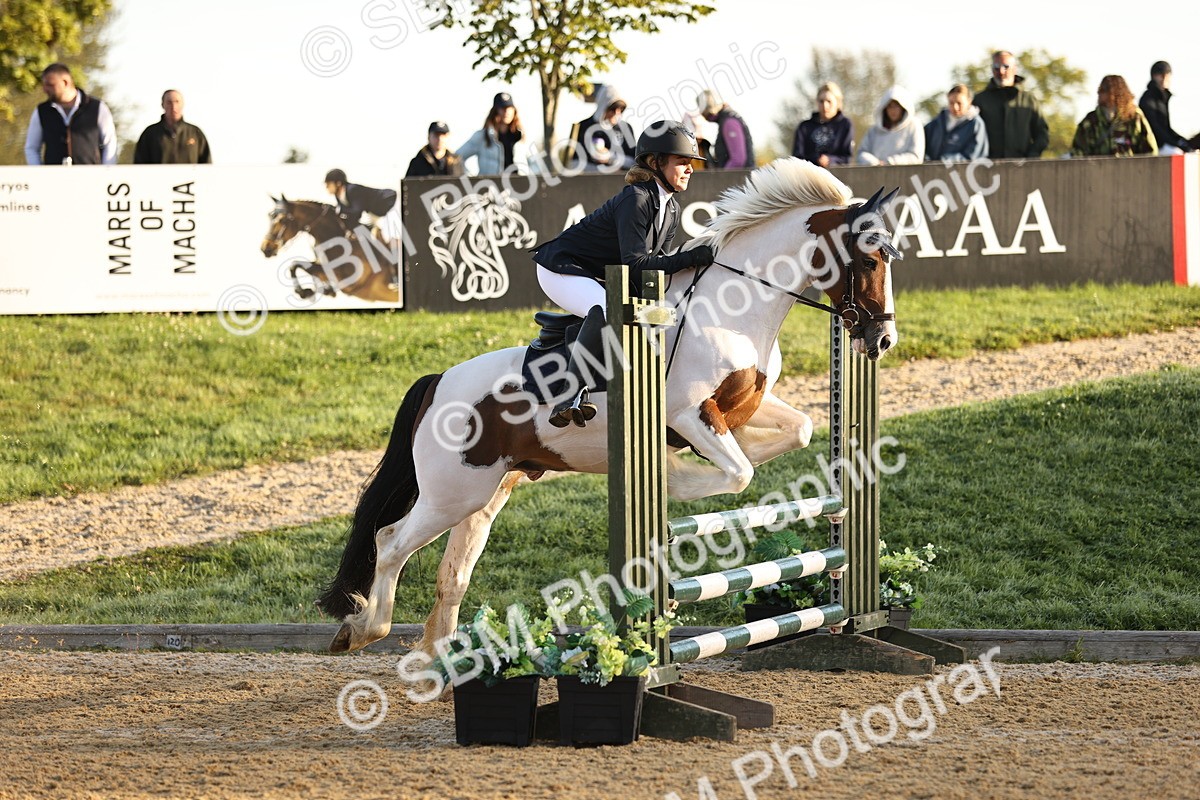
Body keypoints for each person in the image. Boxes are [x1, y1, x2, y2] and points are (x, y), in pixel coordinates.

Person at [532, 122, 715, 428]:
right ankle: (569, 395)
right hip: (560, 267)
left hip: (592, 273)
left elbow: (653, 269)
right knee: (608, 309)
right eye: (682, 162)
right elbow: (636, 263)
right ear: (655, 163)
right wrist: (688, 259)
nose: (690, 169)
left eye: (691, 163)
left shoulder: (669, 208)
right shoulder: (637, 199)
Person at [23, 63, 116, 165]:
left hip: (90, 178)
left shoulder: (97, 107)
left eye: (50, 85)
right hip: (53, 178)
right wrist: (39, 174)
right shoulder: (41, 111)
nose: (45, 89)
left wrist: (106, 173)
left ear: (65, 82)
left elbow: (110, 144)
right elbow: (32, 148)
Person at [973, 50, 1050, 159]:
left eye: (1006, 66)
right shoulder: (980, 100)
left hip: (1022, 168)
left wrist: (1031, 157)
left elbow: (1042, 134)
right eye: (996, 66)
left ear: (1014, 69)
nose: (1001, 71)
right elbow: (969, 134)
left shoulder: (1028, 100)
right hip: (988, 168)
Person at [1071, 75, 1157, 157]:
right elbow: (1077, 154)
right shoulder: (1090, 121)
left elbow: (1150, 152)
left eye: (1107, 91)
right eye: (1102, 90)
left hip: (1130, 170)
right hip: (1098, 171)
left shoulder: (1134, 117)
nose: (1103, 95)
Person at [457, 92, 531, 175]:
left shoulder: (521, 137)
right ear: (495, 111)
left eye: (509, 107)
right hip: (491, 186)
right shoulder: (482, 137)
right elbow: (457, 158)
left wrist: (529, 181)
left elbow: (536, 162)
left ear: (514, 110)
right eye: (502, 108)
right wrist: (473, 180)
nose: (506, 111)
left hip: (520, 187)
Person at [568, 83, 636, 172]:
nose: (616, 112)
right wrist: (605, 170)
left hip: (621, 182)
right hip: (590, 182)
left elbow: (634, 162)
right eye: (613, 108)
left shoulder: (626, 128)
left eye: (621, 108)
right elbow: (574, 164)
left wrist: (610, 157)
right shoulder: (583, 127)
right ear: (603, 105)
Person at [133, 89, 212, 164]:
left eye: (177, 102)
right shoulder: (150, 134)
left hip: (189, 178)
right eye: (169, 102)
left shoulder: (195, 133)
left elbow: (206, 164)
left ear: (183, 104)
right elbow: (140, 165)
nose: (173, 106)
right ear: (162, 105)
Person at [1139, 61, 1199, 155]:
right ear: (1153, 76)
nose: (1164, 79)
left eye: (1167, 75)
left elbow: (1167, 128)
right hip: (1155, 145)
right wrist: (1177, 144)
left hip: (1165, 143)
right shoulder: (1147, 100)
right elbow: (1156, 129)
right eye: (1160, 75)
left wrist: (1182, 142)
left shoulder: (1163, 99)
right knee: (1178, 154)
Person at [324, 169, 399, 243]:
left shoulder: (352, 190)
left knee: (391, 236)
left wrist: (341, 212)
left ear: (338, 183)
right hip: (378, 212)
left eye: (328, 184)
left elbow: (357, 212)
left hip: (392, 203)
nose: (327, 187)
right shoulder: (338, 196)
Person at [856, 85, 924, 165]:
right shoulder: (874, 130)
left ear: (903, 107)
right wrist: (874, 163)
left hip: (905, 175)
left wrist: (890, 162)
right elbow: (861, 153)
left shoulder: (914, 126)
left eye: (896, 106)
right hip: (875, 175)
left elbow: (916, 156)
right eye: (890, 106)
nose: (893, 110)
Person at [791, 81, 854, 167]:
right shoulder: (804, 127)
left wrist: (830, 160)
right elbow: (797, 157)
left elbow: (847, 158)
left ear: (837, 103)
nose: (825, 105)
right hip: (808, 175)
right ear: (817, 102)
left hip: (836, 176)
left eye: (829, 101)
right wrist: (816, 159)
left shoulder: (845, 125)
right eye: (821, 101)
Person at [924, 84, 989, 162]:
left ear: (969, 102)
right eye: (951, 103)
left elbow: (974, 155)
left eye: (959, 103)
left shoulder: (976, 125)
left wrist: (945, 161)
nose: (955, 107)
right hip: (932, 171)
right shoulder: (937, 123)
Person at [697, 90, 755, 169]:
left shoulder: (729, 122)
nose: (700, 112)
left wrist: (721, 178)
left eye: (700, 107)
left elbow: (738, 160)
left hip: (738, 179)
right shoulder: (727, 119)